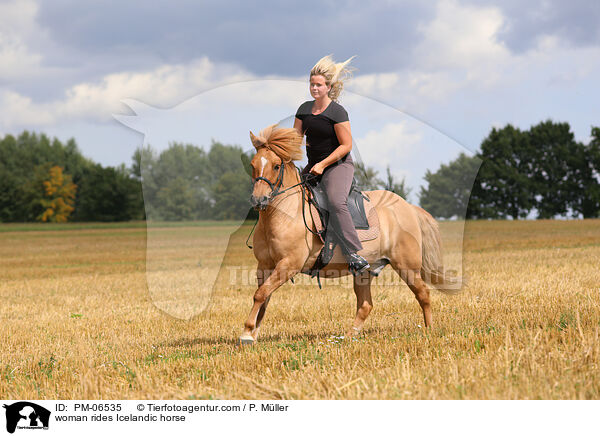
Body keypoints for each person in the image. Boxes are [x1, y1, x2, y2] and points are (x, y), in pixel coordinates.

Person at [293, 55, 370, 276]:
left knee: (336, 202)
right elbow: (294, 141)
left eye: (318, 85)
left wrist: (323, 164)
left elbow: (346, 145)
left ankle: (354, 254)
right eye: (312, 84)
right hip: (313, 166)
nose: (314, 88)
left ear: (328, 87)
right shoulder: (304, 110)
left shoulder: (337, 112)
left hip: (338, 165)